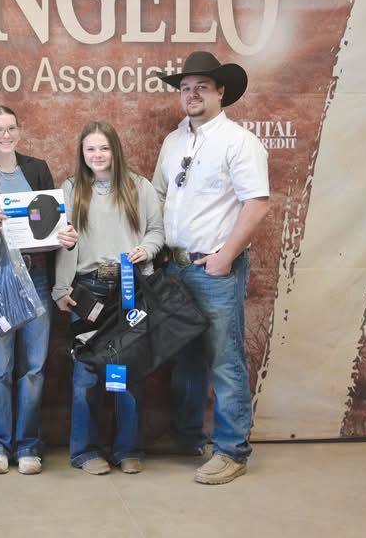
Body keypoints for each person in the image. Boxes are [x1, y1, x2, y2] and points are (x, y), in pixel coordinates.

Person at [152, 51, 269, 485]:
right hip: (175, 266)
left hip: (215, 267)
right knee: (186, 356)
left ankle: (232, 450)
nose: (192, 93)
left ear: (221, 92)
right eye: (185, 88)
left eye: (202, 86)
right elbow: (160, 196)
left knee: (224, 358)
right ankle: (186, 435)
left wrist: (225, 256)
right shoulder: (173, 141)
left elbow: (257, 203)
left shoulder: (240, 142)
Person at [0, 105, 77, 475]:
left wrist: (65, 235)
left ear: (19, 131)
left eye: (10, 128)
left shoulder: (37, 168)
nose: (5, 135)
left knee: (34, 367)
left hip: (37, 275)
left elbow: (49, 219)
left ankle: (29, 445)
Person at [53, 121, 164, 475]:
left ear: (115, 149)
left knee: (125, 371)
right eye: (90, 149)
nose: (97, 155)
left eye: (103, 148)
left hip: (131, 289)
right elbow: (65, 243)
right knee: (87, 374)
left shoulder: (139, 187)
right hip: (88, 290)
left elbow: (157, 232)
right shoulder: (71, 189)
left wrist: (146, 250)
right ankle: (84, 451)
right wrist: (60, 288)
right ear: (82, 154)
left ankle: (127, 448)